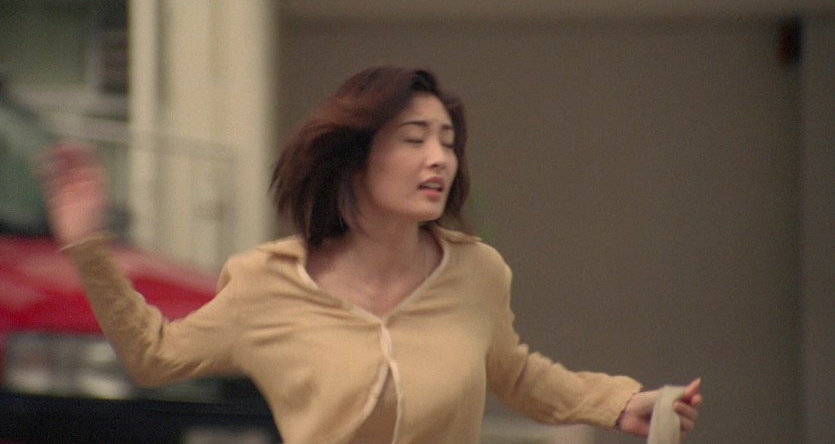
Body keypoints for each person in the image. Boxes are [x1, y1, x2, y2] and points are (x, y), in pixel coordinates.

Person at [39, 66, 702, 443]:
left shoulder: (476, 273)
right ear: (356, 160)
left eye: (447, 141)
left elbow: (516, 374)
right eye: (414, 139)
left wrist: (618, 402)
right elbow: (154, 356)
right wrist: (89, 245)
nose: (438, 157)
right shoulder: (266, 284)